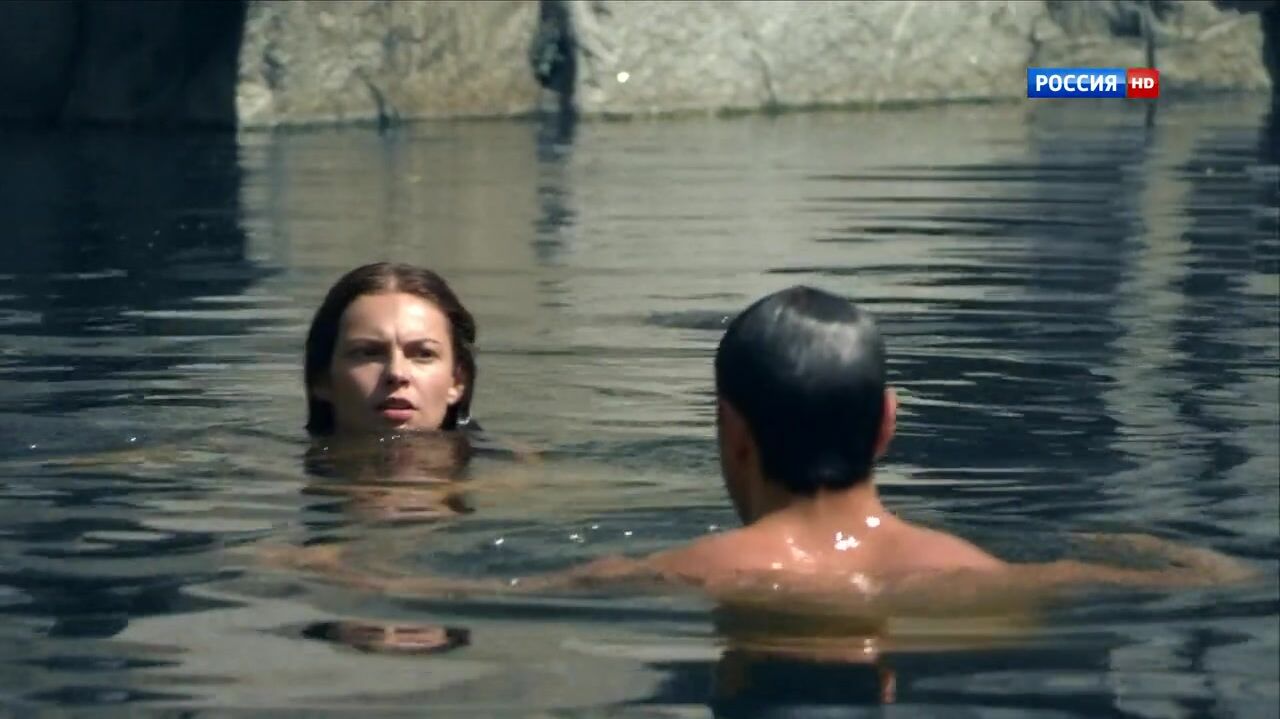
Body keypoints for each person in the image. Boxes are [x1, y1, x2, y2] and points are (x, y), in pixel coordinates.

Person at [264, 285, 1257, 600]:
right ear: (887, 423)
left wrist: (324, 566)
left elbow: (459, 591)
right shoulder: (1005, 580)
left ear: (729, 432)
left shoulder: (670, 572)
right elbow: (1211, 574)